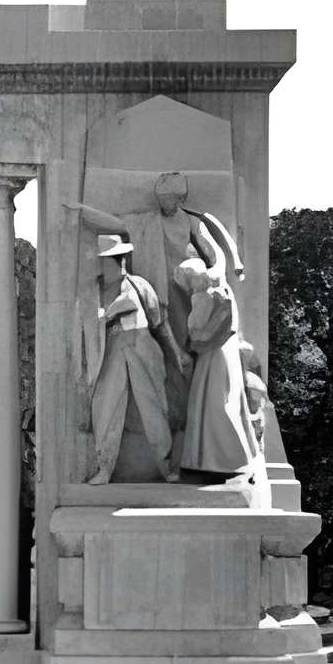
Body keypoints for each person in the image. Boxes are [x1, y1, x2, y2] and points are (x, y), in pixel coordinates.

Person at [67, 173, 240, 331]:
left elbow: (213, 252)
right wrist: (84, 213)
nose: (163, 203)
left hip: (187, 286)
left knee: (190, 331)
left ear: (180, 199)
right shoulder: (148, 222)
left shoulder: (191, 222)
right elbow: (118, 224)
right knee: (169, 331)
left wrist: (216, 272)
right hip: (163, 287)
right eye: (161, 199)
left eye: (168, 199)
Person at [82, 235, 185, 485]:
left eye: (117, 259)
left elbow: (159, 323)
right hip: (111, 349)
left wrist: (176, 353)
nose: (116, 264)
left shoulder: (140, 285)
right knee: (105, 407)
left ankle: (168, 466)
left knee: (154, 407)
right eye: (109, 260)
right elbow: (85, 325)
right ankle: (105, 468)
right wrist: (104, 319)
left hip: (142, 346)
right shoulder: (94, 291)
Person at [169, 258, 266, 492]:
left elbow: (195, 329)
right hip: (221, 353)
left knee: (213, 404)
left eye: (188, 281)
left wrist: (191, 336)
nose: (189, 286)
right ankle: (217, 459)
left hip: (213, 355)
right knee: (217, 402)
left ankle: (221, 459)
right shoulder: (222, 293)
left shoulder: (204, 297)